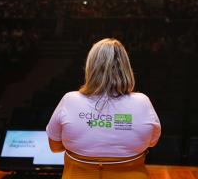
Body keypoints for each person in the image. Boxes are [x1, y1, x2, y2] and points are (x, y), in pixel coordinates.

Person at [46, 38, 161, 179]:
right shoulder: (143, 102)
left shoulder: (70, 100)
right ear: (125, 67)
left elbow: (55, 146)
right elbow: (152, 142)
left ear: (90, 67)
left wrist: (85, 146)